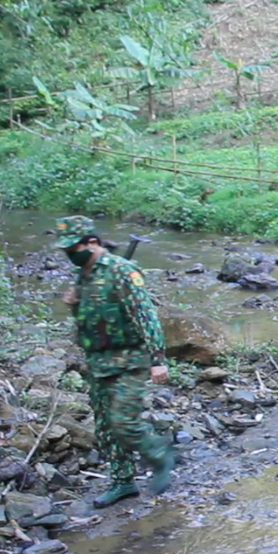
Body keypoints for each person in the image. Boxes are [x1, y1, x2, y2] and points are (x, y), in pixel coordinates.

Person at [53, 216, 175, 508]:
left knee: (124, 423)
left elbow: (145, 316)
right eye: (66, 248)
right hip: (98, 361)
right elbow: (91, 318)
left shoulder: (122, 271)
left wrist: (158, 360)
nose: (69, 253)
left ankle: (161, 457)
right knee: (106, 426)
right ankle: (123, 482)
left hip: (129, 359)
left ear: (92, 243)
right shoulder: (84, 273)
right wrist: (73, 306)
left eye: (74, 247)